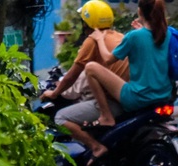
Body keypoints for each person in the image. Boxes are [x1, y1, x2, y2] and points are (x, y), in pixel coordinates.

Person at [81, 0, 174, 160]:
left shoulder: (134, 36)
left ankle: (106, 116)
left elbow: (107, 59)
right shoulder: (166, 33)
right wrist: (140, 32)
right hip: (163, 96)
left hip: (138, 97)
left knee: (91, 67)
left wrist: (99, 39)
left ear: (139, 12)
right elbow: (149, 45)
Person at [40, 1, 130, 151]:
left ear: (87, 23)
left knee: (61, 117)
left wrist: (54, 93)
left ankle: (96, 148)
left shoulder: (93, 40)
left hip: (112, 103)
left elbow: (72, 76)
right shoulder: (119, 37)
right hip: (126, 98)